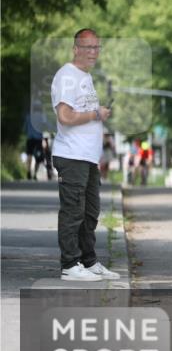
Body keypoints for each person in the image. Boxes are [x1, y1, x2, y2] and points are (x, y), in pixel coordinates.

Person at [50, 29, 119, 282]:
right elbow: (65, 117)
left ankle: (88, 262)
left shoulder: (85, 77)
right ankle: (70, 264)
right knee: (73, 212)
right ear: (75, 48)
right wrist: (95, 115)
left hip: (87, 157)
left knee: (90, 212)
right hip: (72, 156)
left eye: (97, 47)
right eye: (88, 47)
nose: (93, 52)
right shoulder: (67, 76)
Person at [24, 111, 45, 180]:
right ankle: (35, 174)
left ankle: (28, 171)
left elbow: (24, 128)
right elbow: (45, 126)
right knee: (38, 157)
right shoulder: (42, 116)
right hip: (38, 139)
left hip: (30, 138)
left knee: (29, 155)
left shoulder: (28, 116)